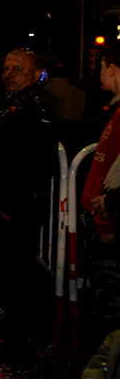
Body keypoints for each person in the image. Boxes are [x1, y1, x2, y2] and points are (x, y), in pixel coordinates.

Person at [0, 47, 56, 362]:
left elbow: (33, 163)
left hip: (16, 206)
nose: (9, 74)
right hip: (4, 202)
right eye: (7, 68)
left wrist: (10, 203)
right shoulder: (15, 103)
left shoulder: (31, 108)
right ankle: (14, 333)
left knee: (17, 274)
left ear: (36, 75)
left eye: (18, 69)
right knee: (8, 273)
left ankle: (19, 345)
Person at [82, 42, 120, 243]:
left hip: (110, 215)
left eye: (102, 67)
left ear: (112, 70)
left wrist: (105, 218)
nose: (99, 73)